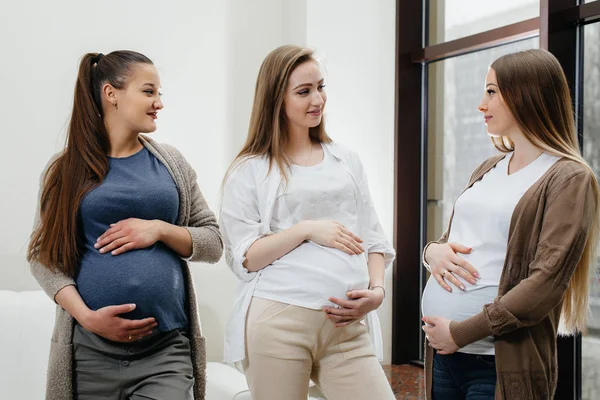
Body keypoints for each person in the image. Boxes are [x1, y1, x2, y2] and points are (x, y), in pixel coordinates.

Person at [27, 50, 223, 400]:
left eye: (160, 94)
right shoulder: (65, 171)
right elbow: (43, 256)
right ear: (111, 94)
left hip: (164, 351)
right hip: (89, 354)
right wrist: (87, 317)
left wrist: (159, 229)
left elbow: (213, 241)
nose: (159, 103)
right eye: (149, 92)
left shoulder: (170, 163)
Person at [219, 45, 396, 400]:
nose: (317, 99)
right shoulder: (250, 170)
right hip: (279, 321)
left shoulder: (346, 160)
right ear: (276, 100)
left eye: (321, 86)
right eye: (304, 91)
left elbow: (374, 239)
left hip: (345, 326)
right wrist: (306, 230)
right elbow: (245, 257)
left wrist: (376, 293)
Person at [421, 48, 599, 400]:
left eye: (491, 92)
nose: (481, 105)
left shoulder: (568, 178)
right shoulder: (488, 168)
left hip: (498, 362)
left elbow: (545, 282)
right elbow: (451, 241)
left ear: (525, 94)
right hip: (445, 356)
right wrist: (431, 253)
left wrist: (462, 331)